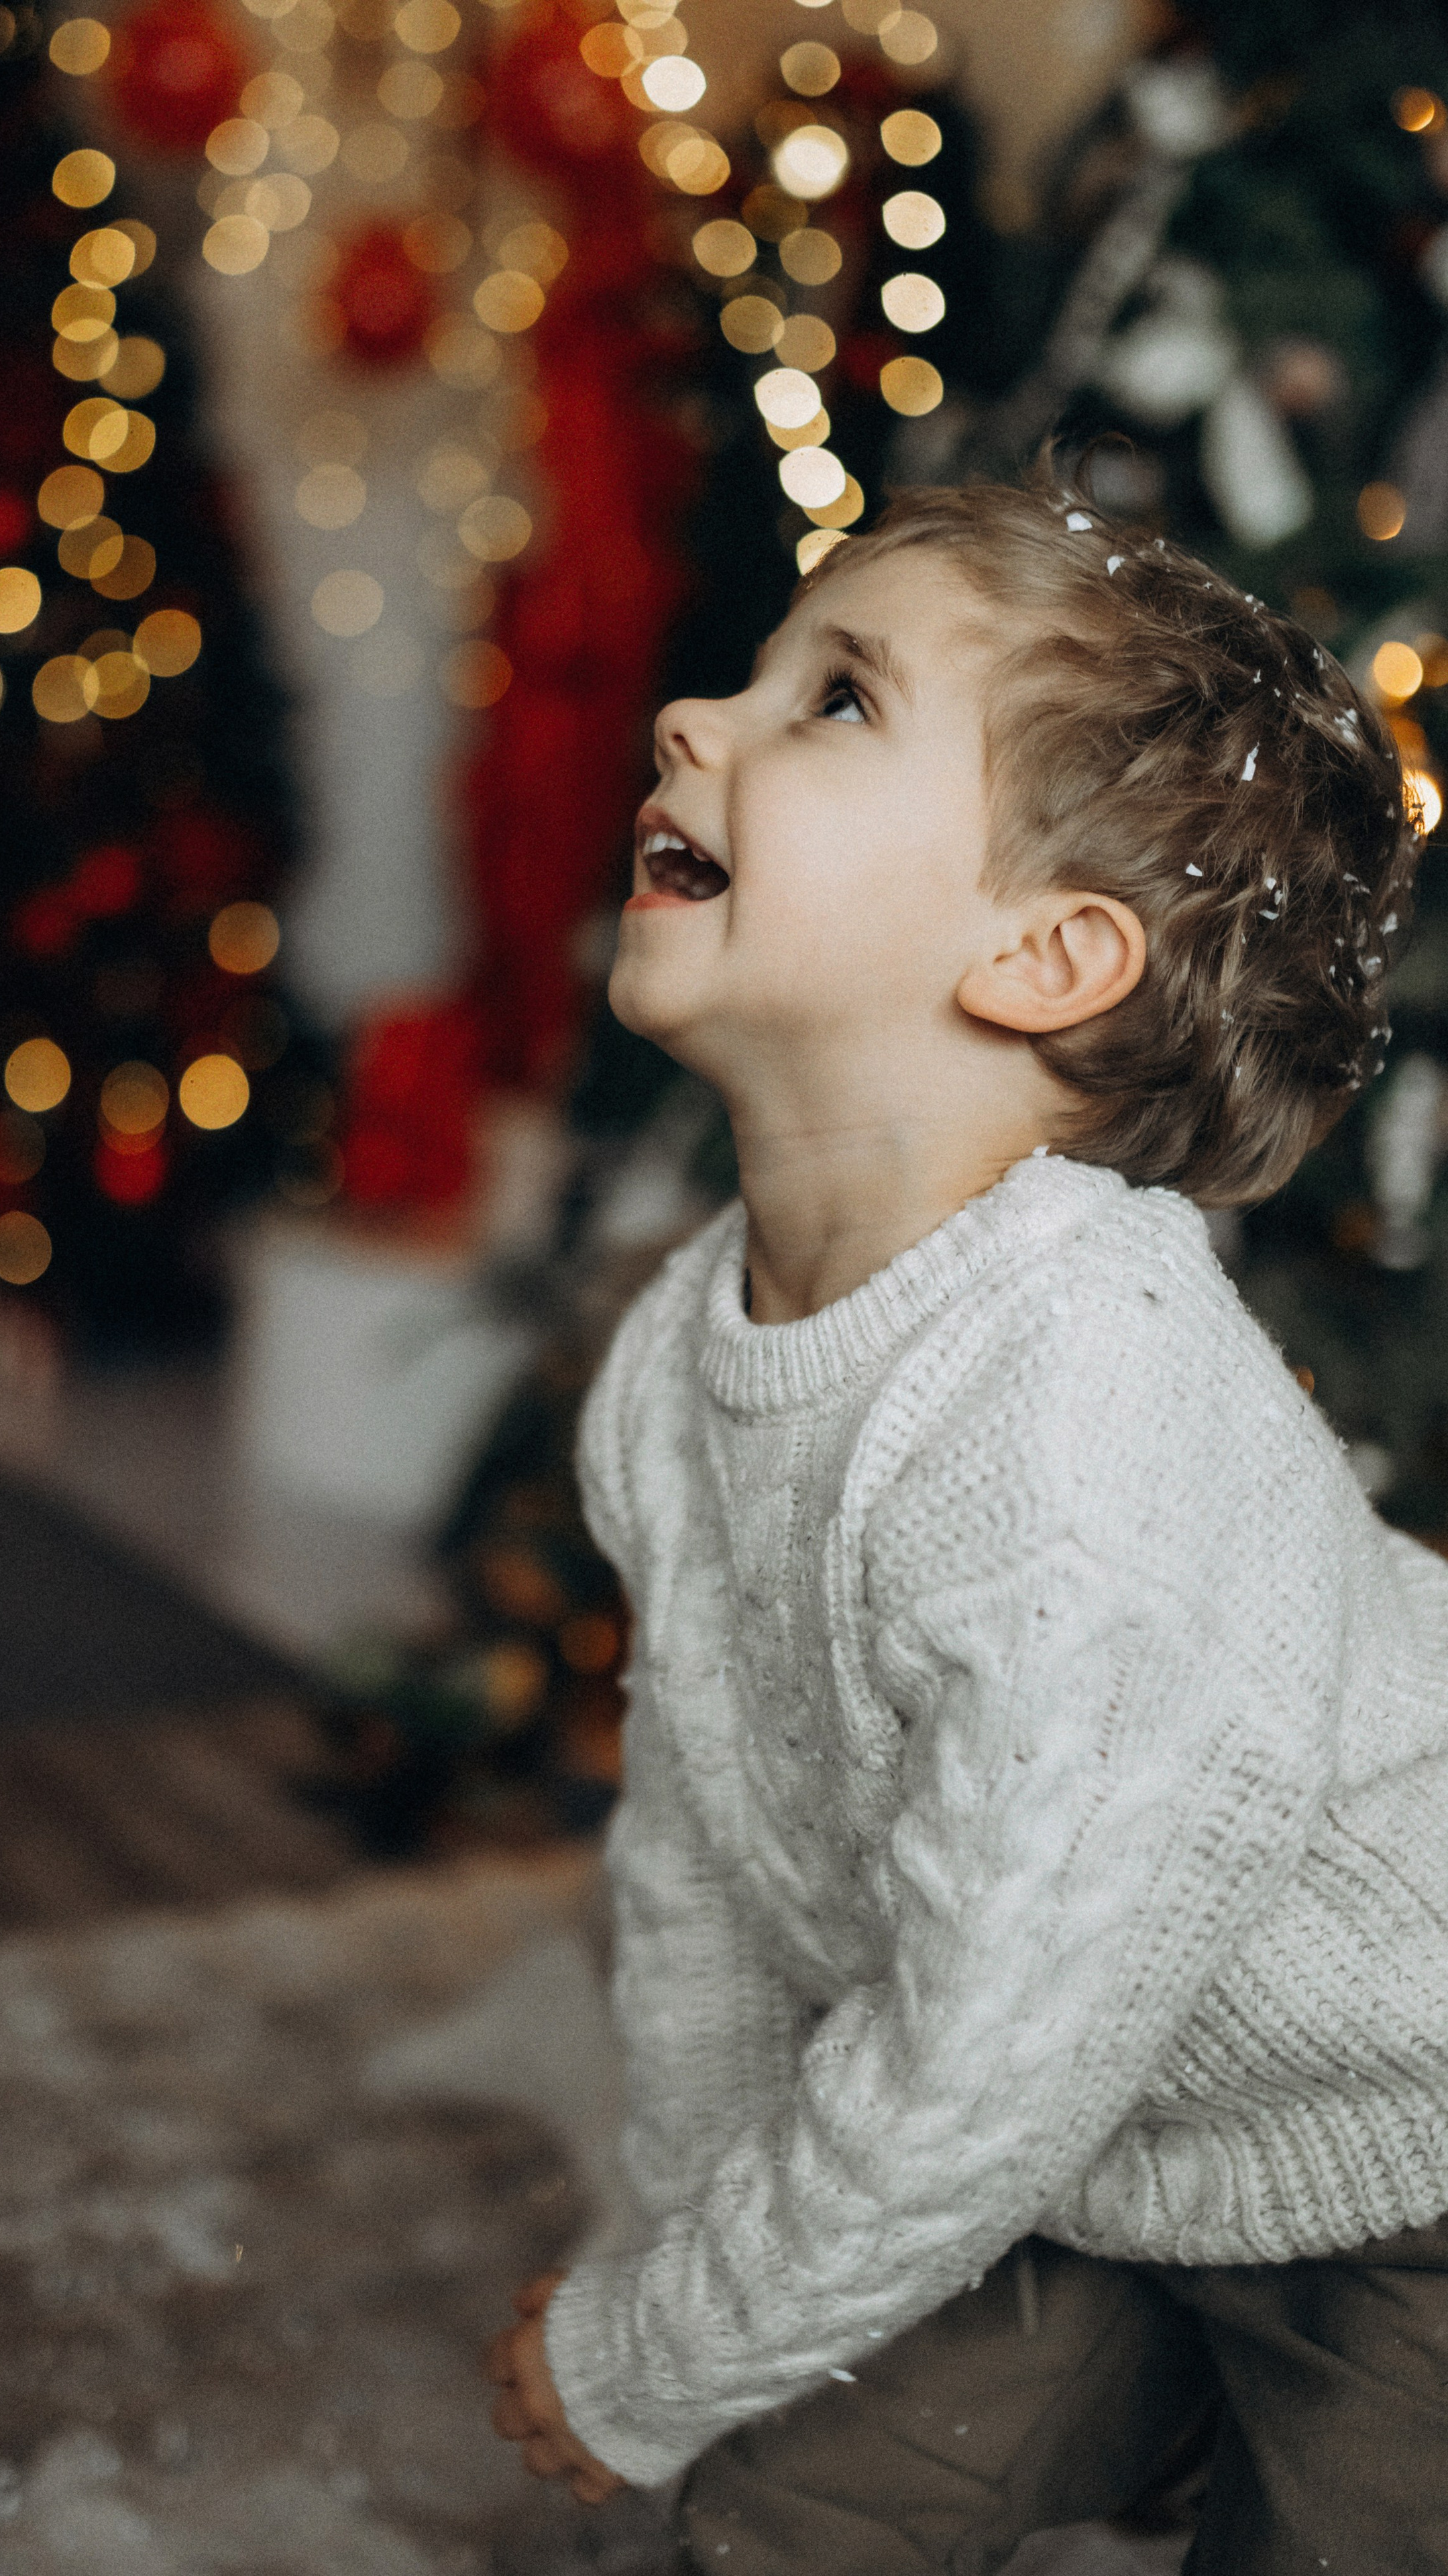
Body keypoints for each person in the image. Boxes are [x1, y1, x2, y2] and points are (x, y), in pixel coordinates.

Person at [482, 476, 1448, 2573]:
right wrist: (687, 2292)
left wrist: (661, 2340)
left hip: (1415, 2138)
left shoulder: (1081, 1427)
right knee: (784, 2511)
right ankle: (1156, 2377)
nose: (689, 721)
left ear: (1045, 955)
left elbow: (982, 2059)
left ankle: (1235, 2410)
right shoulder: (683, 1356)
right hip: (1098, 2132)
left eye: (831, 701)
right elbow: (710, 1868)